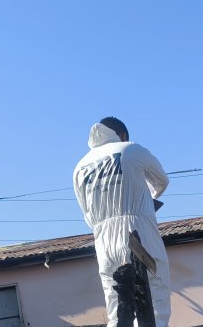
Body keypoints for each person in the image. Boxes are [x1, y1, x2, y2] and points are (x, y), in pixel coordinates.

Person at [73, 117, 170, 327]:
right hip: (138, 231)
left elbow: (87, 214)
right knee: (153, 298)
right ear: (122, 135)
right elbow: (162, 181)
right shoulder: (131, 149)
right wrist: (146, 199)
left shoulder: (79, 168)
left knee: (116, 307)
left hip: (103, 241)